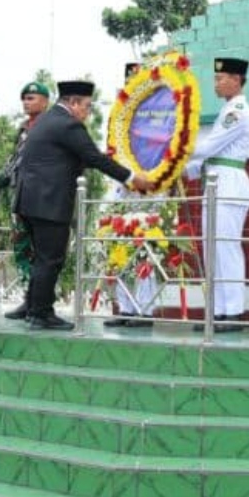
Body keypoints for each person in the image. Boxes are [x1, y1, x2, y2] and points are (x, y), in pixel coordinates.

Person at [15, 80, 154, 331]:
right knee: (51, 259)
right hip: (49, 202)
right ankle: (40, 314)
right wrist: (133, 178)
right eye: (87, 107)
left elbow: (74, 157)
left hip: (31, 201)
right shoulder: (68, 124)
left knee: (42, 258)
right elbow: (93, 157)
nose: (87, 113)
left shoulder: (48, 120)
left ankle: (35, 310)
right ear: (74, 102)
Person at [184, 57, 249, 333]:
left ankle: (233, 312)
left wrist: (176, 151)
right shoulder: (227, 110)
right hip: (216, 184)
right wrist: (185, 172)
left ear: (236, 80)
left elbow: (209, 147)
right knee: (214, 250)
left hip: (229, 187)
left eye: (221, 78)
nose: (217, 83)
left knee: (226, 249)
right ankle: (218, 312)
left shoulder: (236, 111)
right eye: (215, 78)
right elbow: (209, 155)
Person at [106, 62, 158, 328]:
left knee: (145, 247)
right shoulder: (120, 112)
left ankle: (145, 310)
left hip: (150, 185)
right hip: (124, 187)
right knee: (121, 250)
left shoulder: (157, 111)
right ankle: (125, 308)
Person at [0, 81, 51, 321]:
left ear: (45, 101)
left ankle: (39, 302)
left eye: (32, 98)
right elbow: (15, 159)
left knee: (42, 252)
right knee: (21, 248)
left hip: (41, 199)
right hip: (19, 196)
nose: (26, 102)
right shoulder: (22, 129)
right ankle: (27, 299)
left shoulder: (50, 126)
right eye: (25, 98)